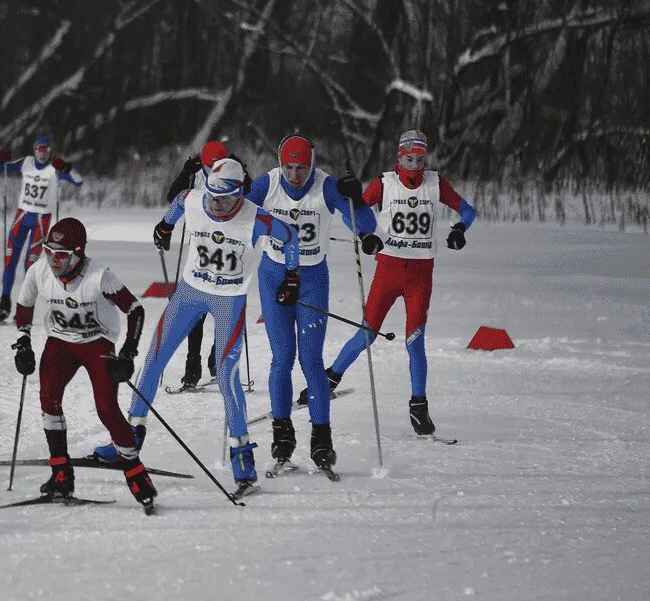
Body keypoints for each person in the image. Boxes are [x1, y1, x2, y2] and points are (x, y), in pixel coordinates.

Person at [94, 158, 301, 494]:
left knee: (226, 373)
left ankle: (243, 458)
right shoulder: (194, 200)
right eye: (212, 196)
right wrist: (165, 226)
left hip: (228, 300)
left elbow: (290, 238)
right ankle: (129, 437)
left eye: (224, 199)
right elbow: (178, 202)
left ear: (239, 195)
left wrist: (291, 276)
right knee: (153, 359)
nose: (215, 205)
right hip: (189, 293)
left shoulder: (256, 218)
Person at [304, 130, 477, 436]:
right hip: (389, 270)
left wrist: (459, 229)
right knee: (367, 333)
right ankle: (330, 378)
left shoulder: (435, 184)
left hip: (420, 276)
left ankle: (418, 405)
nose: (415, 166)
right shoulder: (385, 184)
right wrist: (365, 233)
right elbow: (353, 212)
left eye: (420, 159)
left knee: (415, 340)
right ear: (399, 158)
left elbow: (468, 210)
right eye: (409, 159)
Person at [247, 135, 378, 476]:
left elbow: (365, 228)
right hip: (273, 277)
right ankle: (282, 436)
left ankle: (321, 438)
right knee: (282, 357)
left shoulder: (326, 186)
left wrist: (357, 200)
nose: (294, 175)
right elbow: (240, 219)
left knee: (310, 359)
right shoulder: (269, 183)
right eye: (288, 167)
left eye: (301, 168)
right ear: (280, 162)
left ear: (312, 164)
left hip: (312, 281)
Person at [10, 217, 158, 512]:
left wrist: (128, 354)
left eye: (62, 255)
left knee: (106, 409)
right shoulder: (38, 271)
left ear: (79, 253)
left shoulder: (100, 276)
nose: (54, 260)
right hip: (60, 343)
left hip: (97, 343)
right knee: (48, 401)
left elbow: (136, 310)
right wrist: (23, 341)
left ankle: (136, 472)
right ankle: (61, 474)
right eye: (49, 252)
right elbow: (24, 305)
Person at [156, 140, 254, 390]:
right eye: (209, 166)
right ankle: (192, 366)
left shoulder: (233, 172)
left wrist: (243, 173)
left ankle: (215, 357)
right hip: (201, 246)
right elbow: (173, 198)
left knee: (227, 306)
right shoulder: (197, 173)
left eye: (218, 165)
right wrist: (185, 172)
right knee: (196, 311)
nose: (214, 171)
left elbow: (253, 198)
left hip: (231, 248)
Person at [0, 135, 84, 321]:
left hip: (41, 220)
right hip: (22, 216)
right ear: (34, 150)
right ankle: (4, 302)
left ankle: (24, 307)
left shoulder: (54, 169)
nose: (42, 153)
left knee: (30, 265)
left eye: (46, 149)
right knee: (10, 260)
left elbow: (78, 180)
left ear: (50, 151)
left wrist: (66, 168)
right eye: (39, 149)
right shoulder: (26, 162)